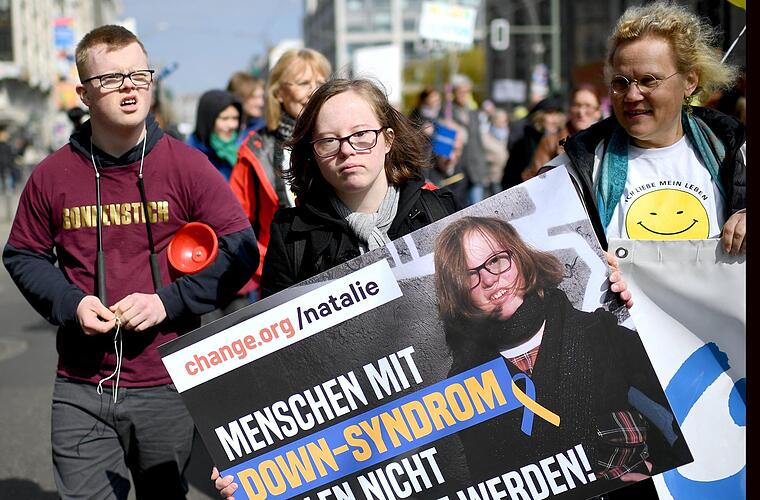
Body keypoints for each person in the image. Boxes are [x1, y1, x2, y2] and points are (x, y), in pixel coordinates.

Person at [2, 25, 258, 499]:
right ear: (83, 94)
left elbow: (239, 248)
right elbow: (23, 253)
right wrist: (71, 303)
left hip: (166, 382)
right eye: (111, 78)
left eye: (139, 75)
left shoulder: (187, 166)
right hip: (80, 386)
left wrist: (167, 302)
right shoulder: (52, 175)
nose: (129, 87)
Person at [211, 78, 460, 498]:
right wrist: (248, 462)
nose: (347, 151)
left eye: (361, 135)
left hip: (448, 430)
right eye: (329, 141)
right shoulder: (292, 235)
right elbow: (275, 360)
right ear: (312, 152)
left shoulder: (441, 214)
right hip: (349, 451)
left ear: (388, 139)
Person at [433, 216, 691, 492]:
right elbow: (492, 481)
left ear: (520, 257)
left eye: (496, 260)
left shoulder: (601, 333)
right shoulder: (465, 383)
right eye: (469, 275)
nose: (488, 280)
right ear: (457, 292)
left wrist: (643, 300)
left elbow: (686, 411)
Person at [543, 2, 745, 256]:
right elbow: (535, 248)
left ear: (690, 81)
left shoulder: (736, 151)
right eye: (621, 83)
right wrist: (584, 264)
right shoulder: (577, 166)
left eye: (648, 80)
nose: (632, 95)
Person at [228, 48, 331, 301]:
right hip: (283, 283)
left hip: (341, 271)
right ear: (278, 92)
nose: (314, 91)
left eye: (320, 83)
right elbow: (234, 225)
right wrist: (269, 264)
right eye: (303, 83)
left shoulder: (343, 139)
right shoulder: (255, 150)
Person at [524, 84, 602, 182]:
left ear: (598, 112)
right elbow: (535, 181)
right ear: (570, 109)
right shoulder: (550, 142)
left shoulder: (606, 142)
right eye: (576, 105)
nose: (581, 112)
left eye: (588, 106)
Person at [502, 95, 565, 190]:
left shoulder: (564, 137)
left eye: (557, 114)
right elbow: (511, 173)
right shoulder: (525, 141)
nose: (554, 119)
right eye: (550, 114)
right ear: (539, 116)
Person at [448, 74, 489, 206]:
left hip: (475, 169)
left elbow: (478, 142)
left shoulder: (473, 113)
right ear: (454, 92)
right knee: (459, 207)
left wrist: (483, 169)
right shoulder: (448, 112)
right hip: (457, 169)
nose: (464, 95)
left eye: (466, 92)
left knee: (478, 207)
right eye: (461, 91)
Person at [187, 89, 242, 180]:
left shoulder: (240, 152)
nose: (232, 125)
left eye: (235, 118)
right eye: (225, 118)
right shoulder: (189, 157)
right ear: (208, 120)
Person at [226, 71, 266, 138]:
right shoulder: (223, 128)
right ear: (239, 97)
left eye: (262, 97)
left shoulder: (263, 129)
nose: (261, 103)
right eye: (254, 97)